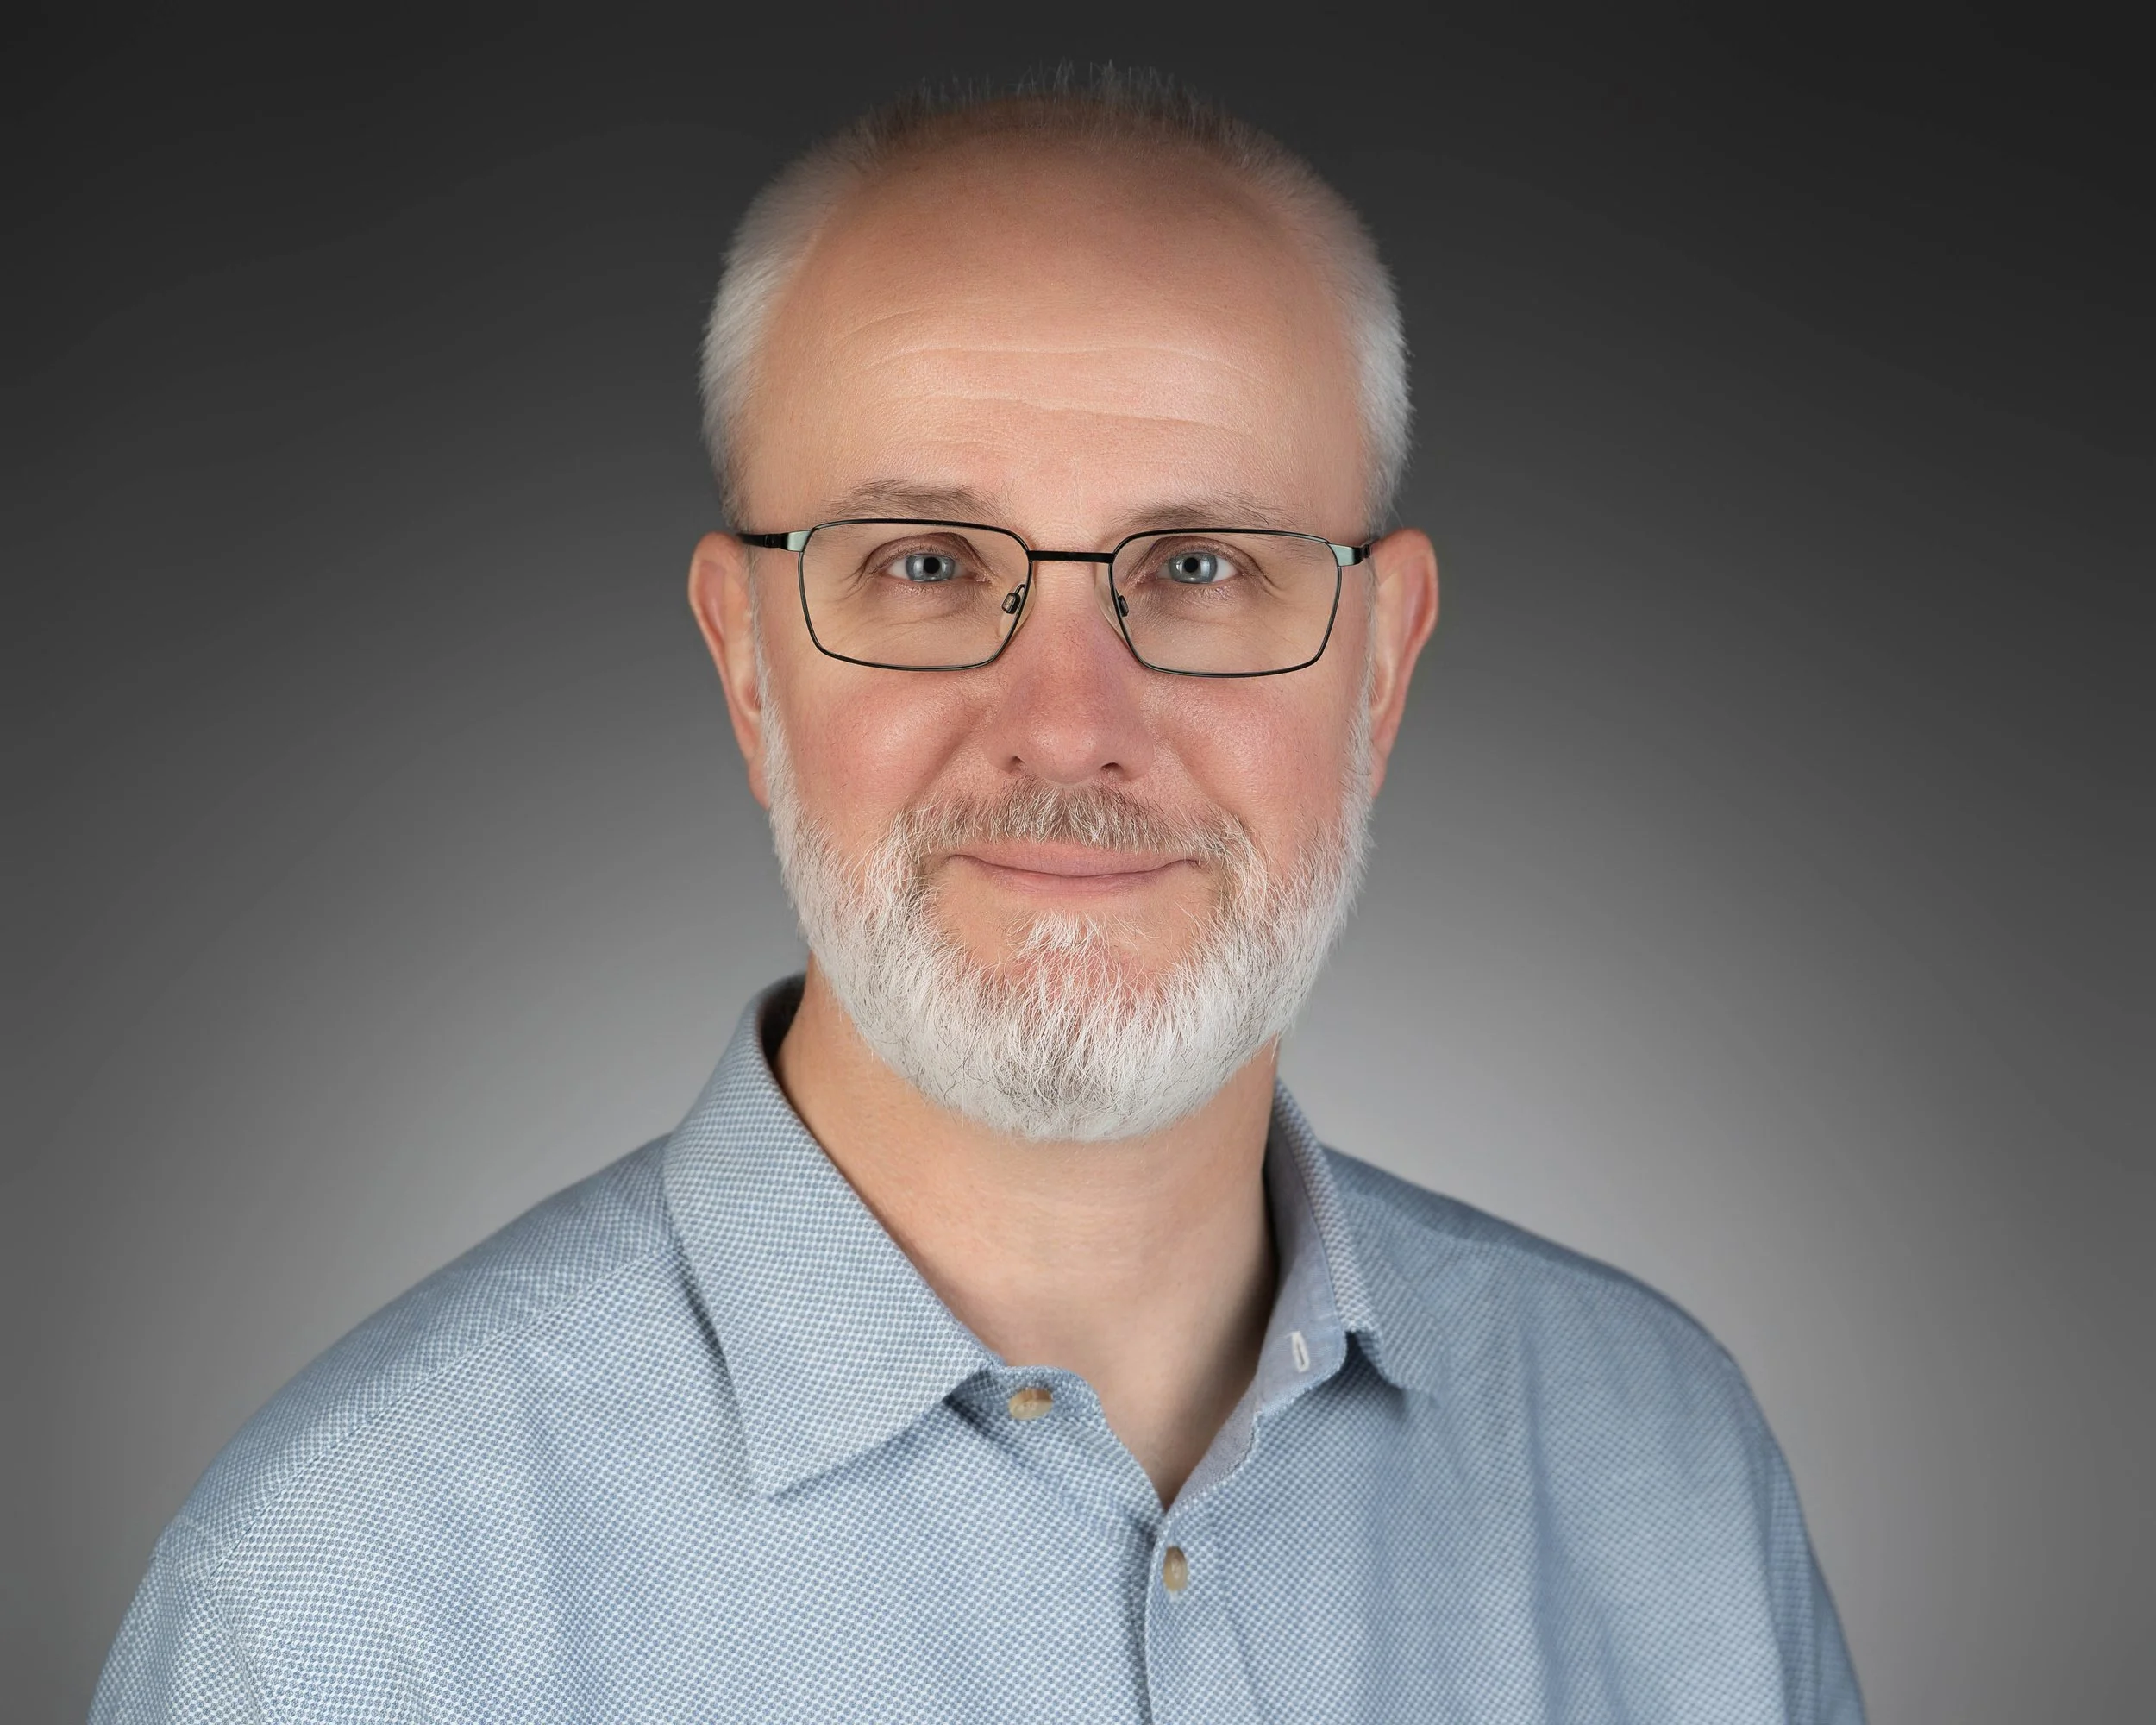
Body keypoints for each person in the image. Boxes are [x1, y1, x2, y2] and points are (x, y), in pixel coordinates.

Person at [94, 71, 1863, 1723]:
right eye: (927, 564)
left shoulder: (1666, 1470)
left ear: (1380, 667)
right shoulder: (345, 1607)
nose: (1069, 725)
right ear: (748, 663)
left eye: (1201, 565)